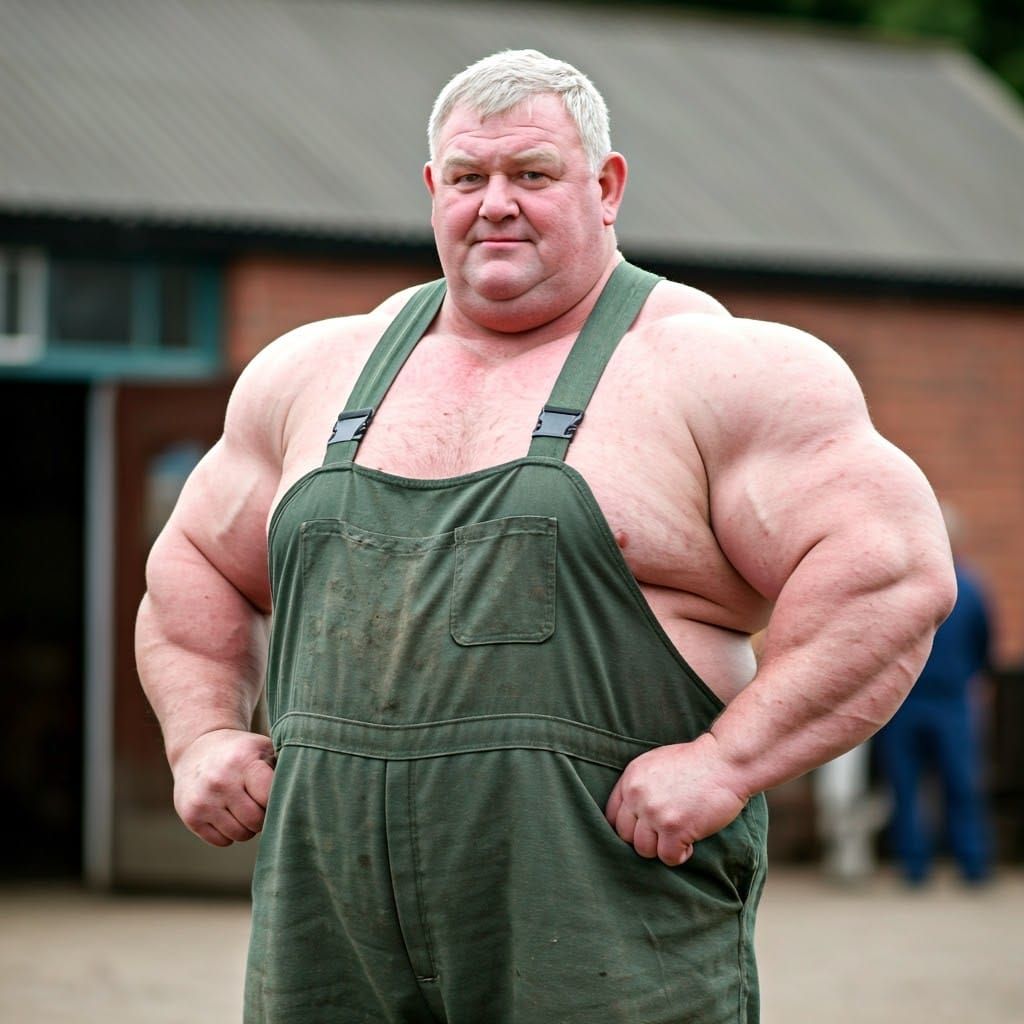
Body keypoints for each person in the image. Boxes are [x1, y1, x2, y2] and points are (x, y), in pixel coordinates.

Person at [136, 49, 955, 1023]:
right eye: (469, 178)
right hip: (332, 935)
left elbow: (889, 576)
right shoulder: (312, 373)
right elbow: (189, 566)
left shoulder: (714, 368)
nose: (495, 204)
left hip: (601, 934)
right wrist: (201, 739)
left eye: (531, 174)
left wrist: (728, 761)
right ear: (432, 188)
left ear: (605, 187)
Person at [876, 504, 994, 886]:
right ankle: (915, 865)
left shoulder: (971, 589)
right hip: (906, 699)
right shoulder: (903, 588)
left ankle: (970, 863)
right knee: (906, 784)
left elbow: (983, 646)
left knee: (959, 783)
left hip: (948, 698)